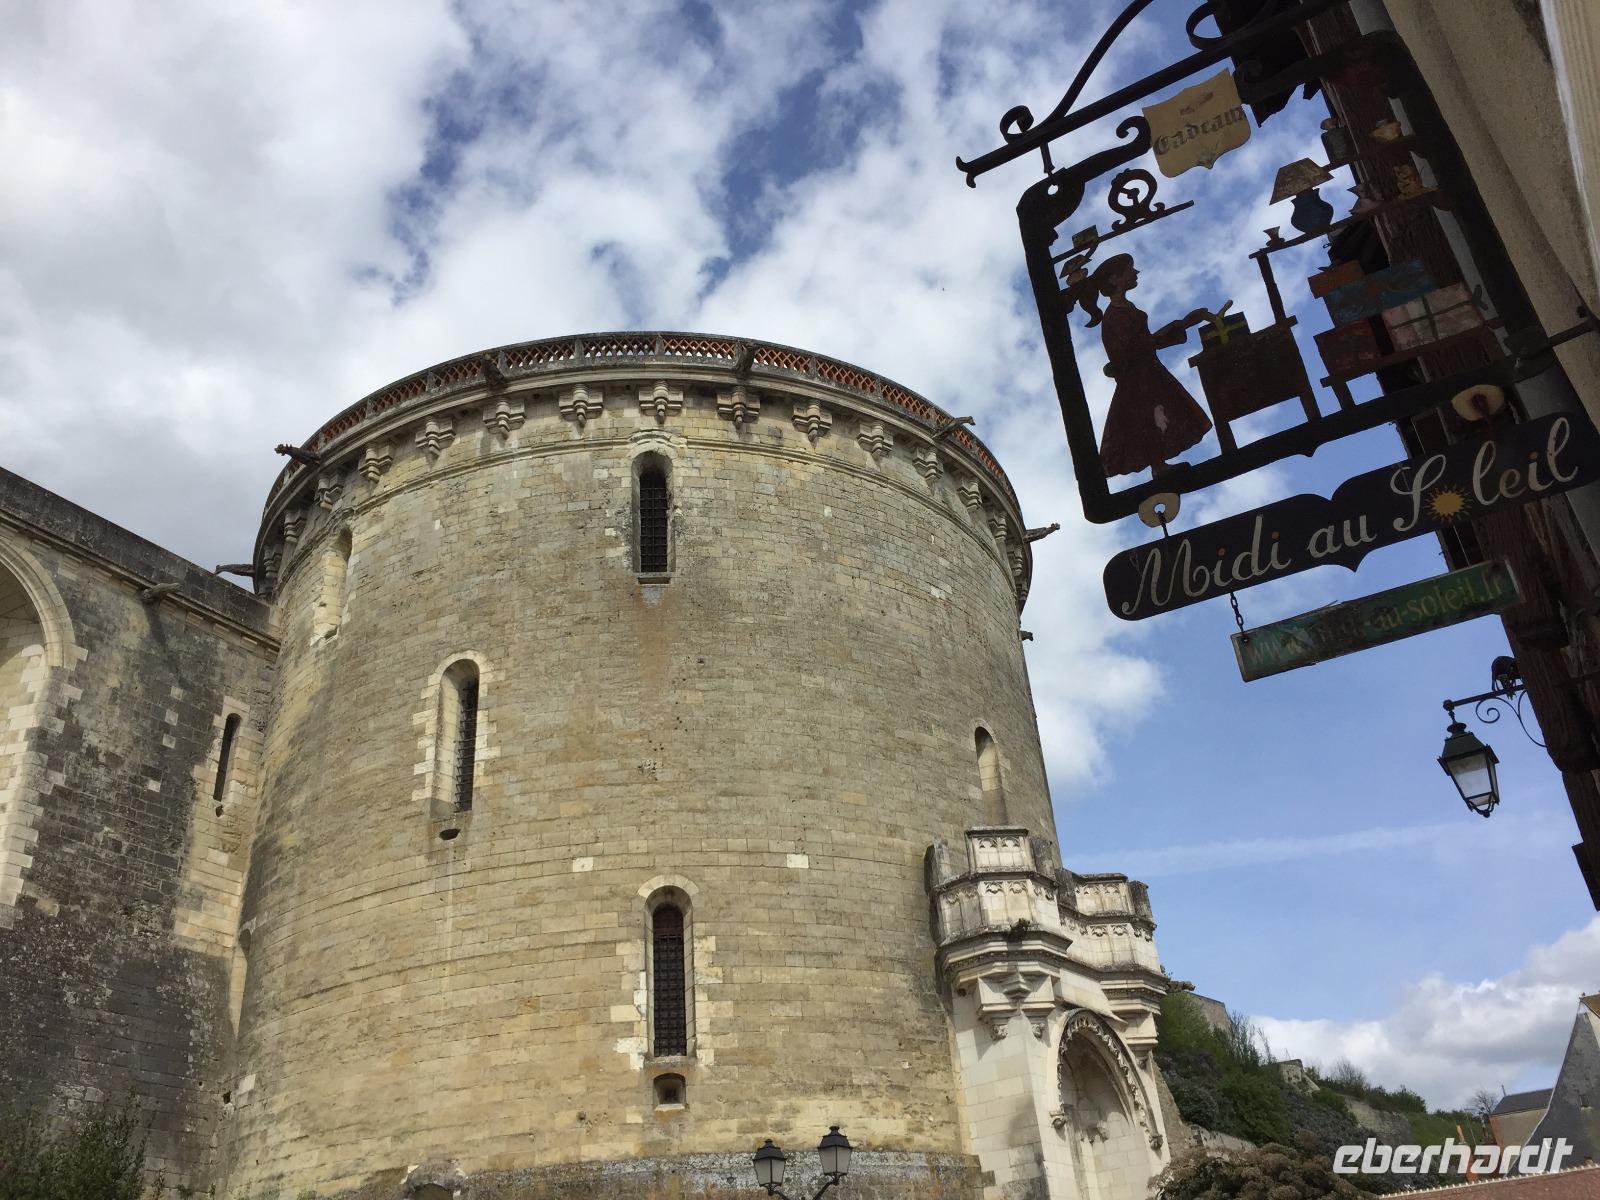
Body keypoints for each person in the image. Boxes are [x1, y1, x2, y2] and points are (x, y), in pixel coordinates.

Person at [1080, 253, 1214, 478]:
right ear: (1114, 279)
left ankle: (1160, 465)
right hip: (1138, 379)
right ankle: (1159, 467)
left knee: (1158, 418)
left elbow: (1145, 344)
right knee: (1147, 419)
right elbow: (1138, 347)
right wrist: (1183, 324)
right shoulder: (1114, 317)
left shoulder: (1126, 308)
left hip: (1148, 373)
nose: (1136, 272)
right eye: (1130, 269)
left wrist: (1181, 326)